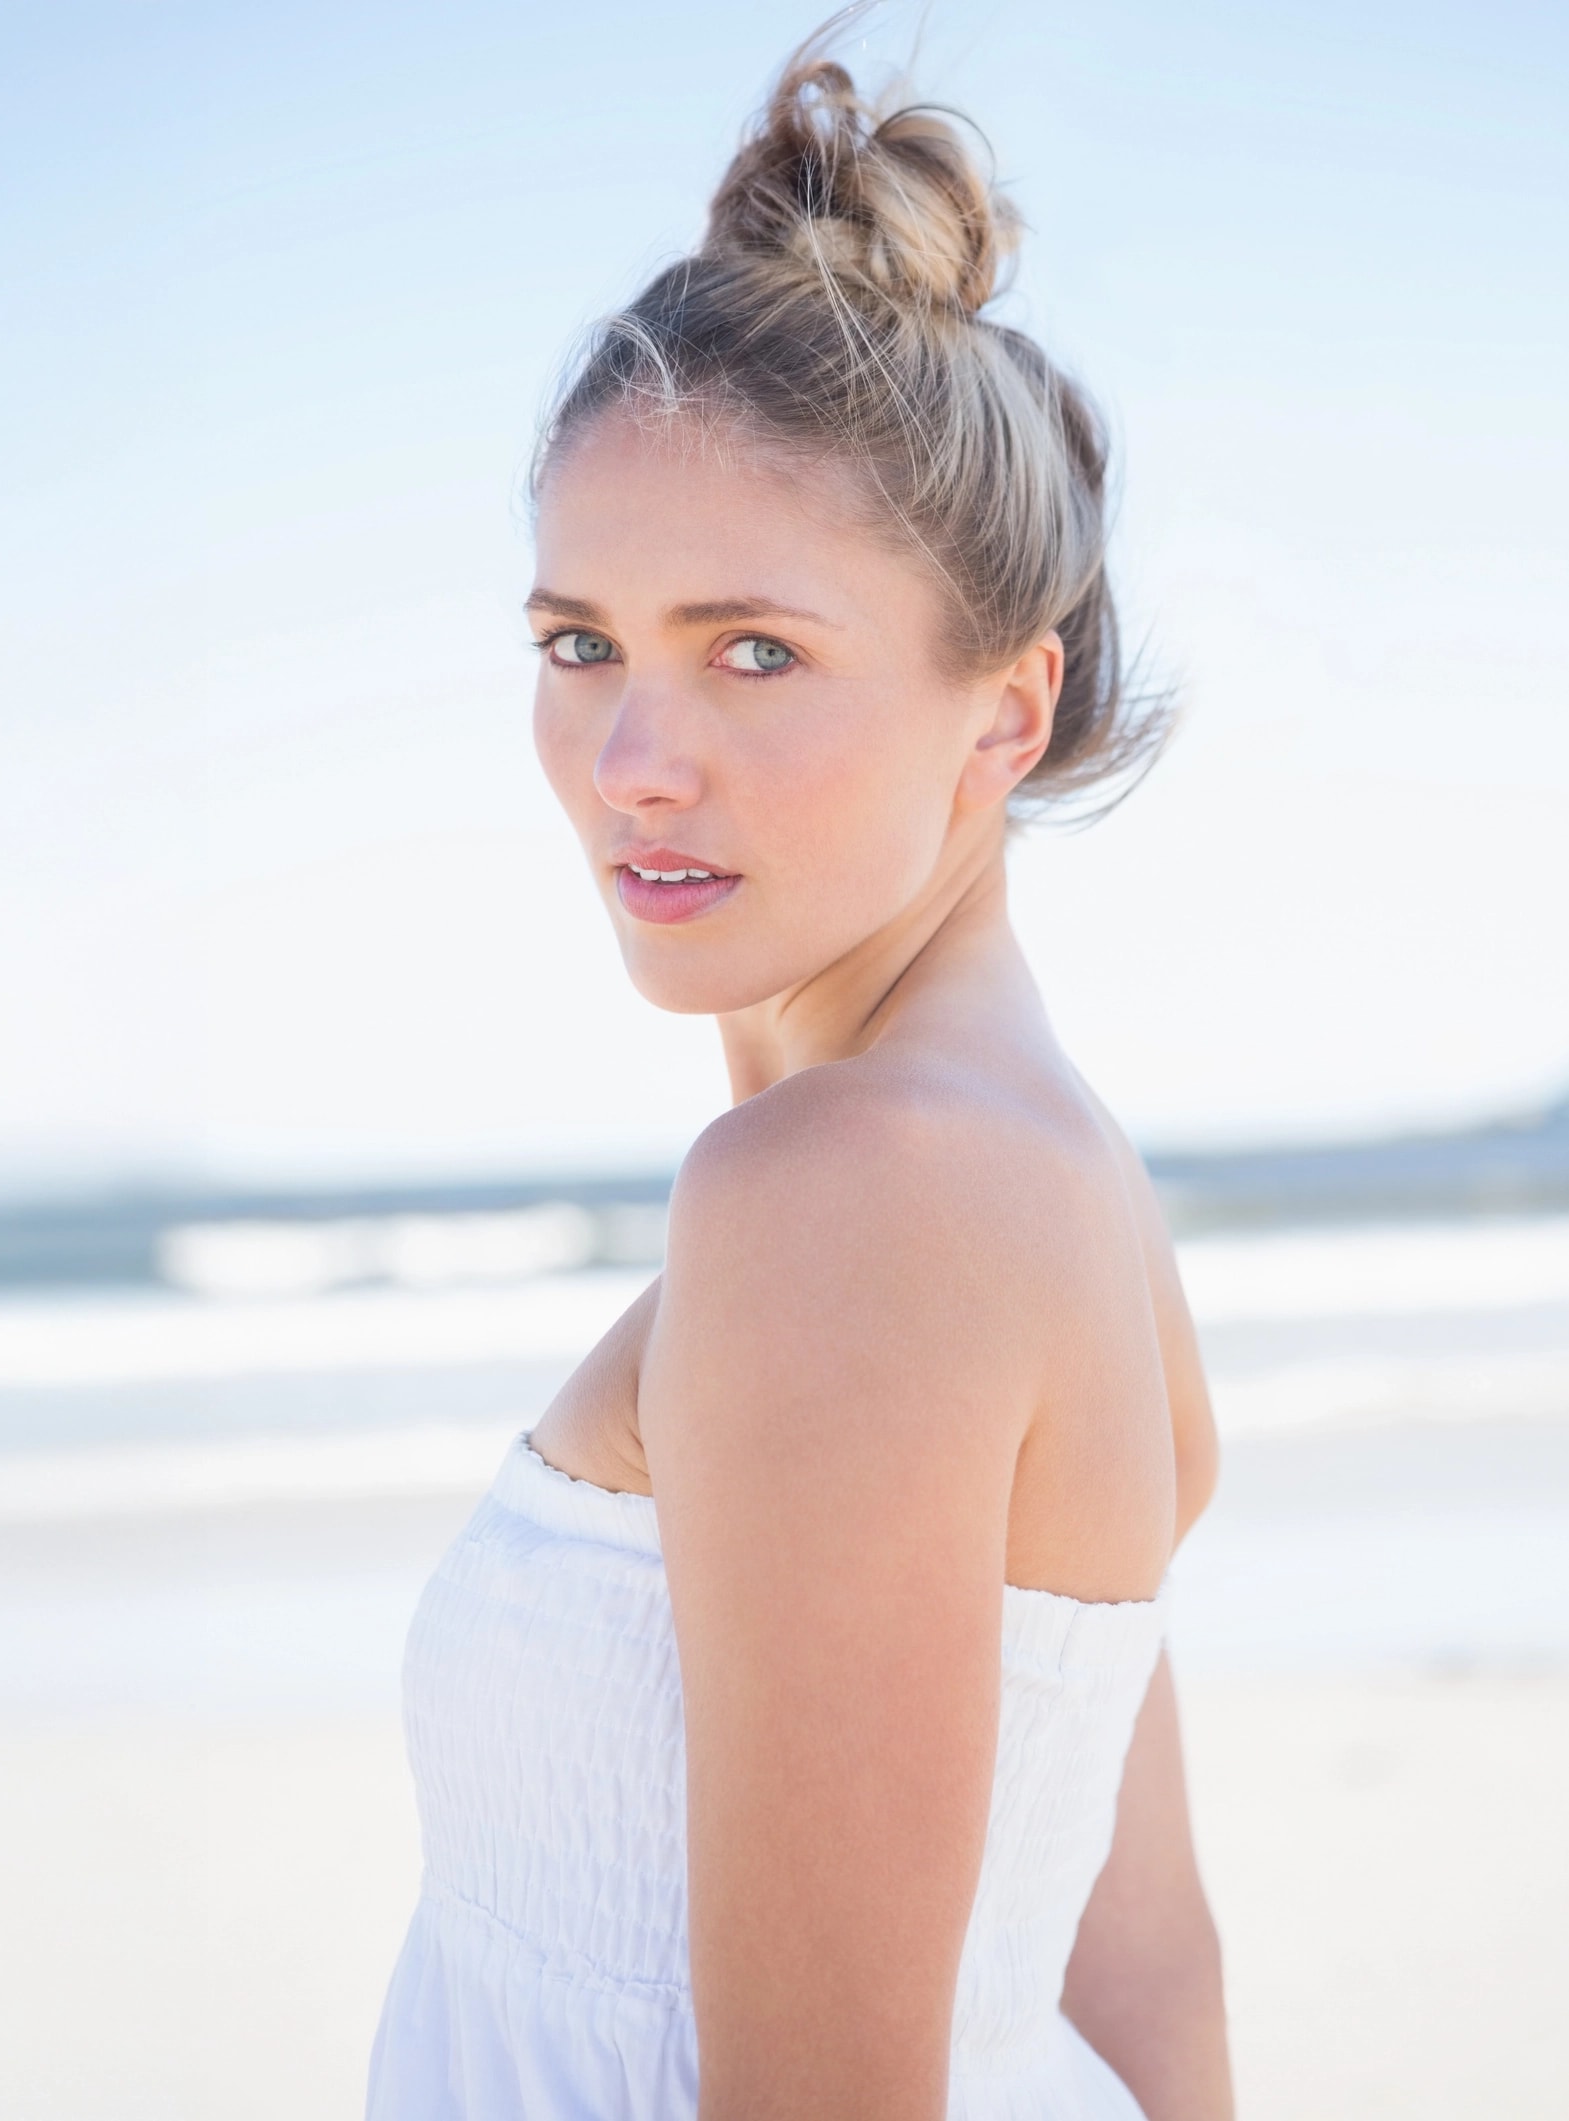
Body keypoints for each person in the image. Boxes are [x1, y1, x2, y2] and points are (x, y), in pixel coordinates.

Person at [367, 24, 1232, 2120]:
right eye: (581, 642)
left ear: (1001, 713)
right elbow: (1139, 1961)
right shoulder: (1044, 1174)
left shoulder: (845, 1194)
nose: (632, 756)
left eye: (751, 648)